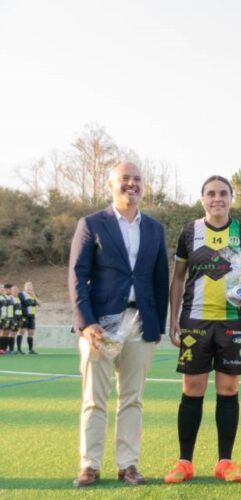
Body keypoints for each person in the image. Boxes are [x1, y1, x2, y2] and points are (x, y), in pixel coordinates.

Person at [68, 160, 169, 487]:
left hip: (140, 324)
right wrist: (86, 323)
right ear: (111, 184)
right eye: (125, 178)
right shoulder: (91, 224)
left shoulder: (154, 228)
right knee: (94, 399)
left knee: (132, 398)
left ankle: (128, 465)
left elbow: (159, 280)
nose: (132, 184)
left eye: (137, 179)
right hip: (99, 326)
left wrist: (157, 328)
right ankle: (89, 465)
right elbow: (76, 276)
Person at [164, 175, 241, 484]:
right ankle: (185, 462)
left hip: (233, 322)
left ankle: (225, 461)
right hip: (195, 321)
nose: (217, 199)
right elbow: (178, 279)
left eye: (223, 193)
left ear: (231, 198)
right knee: (192, 390)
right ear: (202, 199)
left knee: (228, 390)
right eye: (211, 194)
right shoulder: (189, 232)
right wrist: (174, 319)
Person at [19, 281, 39, 354]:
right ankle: (19, 349)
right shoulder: (21, 294)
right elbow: (26, 303)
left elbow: (40, 303)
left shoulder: (33, 295)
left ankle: (30, 349)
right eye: (27, 286)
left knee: (31, 333)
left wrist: (34, 296)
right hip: (24, 316)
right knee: (21, 332)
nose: (29, 287)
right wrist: (33, 302)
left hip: (32, 316)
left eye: (30, 285)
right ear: (24, 287)